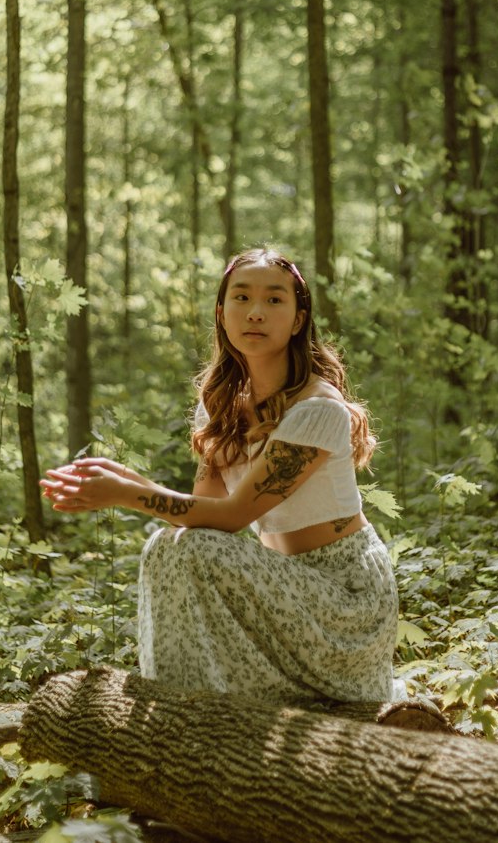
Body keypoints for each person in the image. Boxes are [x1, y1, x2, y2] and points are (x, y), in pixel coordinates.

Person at [40, 247, 399, 704]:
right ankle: (179, 707)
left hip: (346, 598)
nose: (255, 312)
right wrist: (127, 479)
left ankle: (188, 711)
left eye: (274, 300)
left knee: (186, 547)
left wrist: (126, 493)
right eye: (241, 298)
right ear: (222, 314)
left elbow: (230, 517)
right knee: (167, 547)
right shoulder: (220, 406)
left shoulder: (317, 409)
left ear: (297, 320)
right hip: (287, 587)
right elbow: (199, 518)